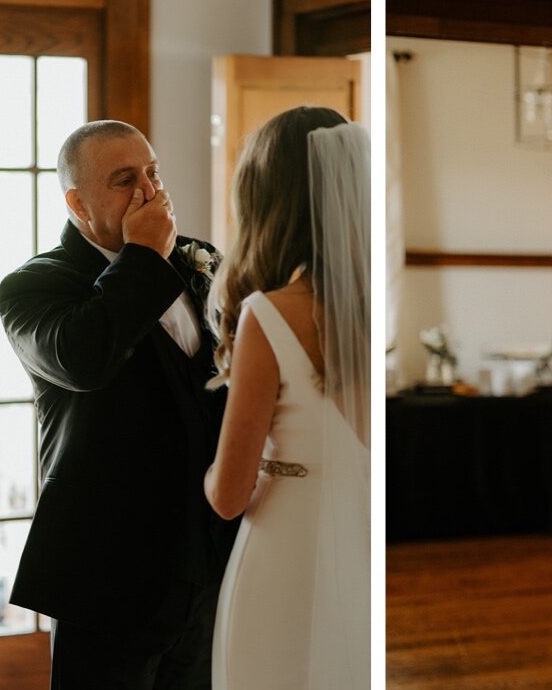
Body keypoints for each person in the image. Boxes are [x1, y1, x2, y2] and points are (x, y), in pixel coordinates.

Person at [1, 120, 234, 689]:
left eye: (153, 173)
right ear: (78, 203)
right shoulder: (33, 287)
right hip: (107, 571)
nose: (149, 192)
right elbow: (86, 358)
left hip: (207, 561)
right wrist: (144, 254)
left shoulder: (200, 261)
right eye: (125, 180)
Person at [200, 106, 371, 689]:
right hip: (361, 547)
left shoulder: (269, 315)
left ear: (266, 201)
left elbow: (229, 496)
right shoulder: (372, 311)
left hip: (284, 553)